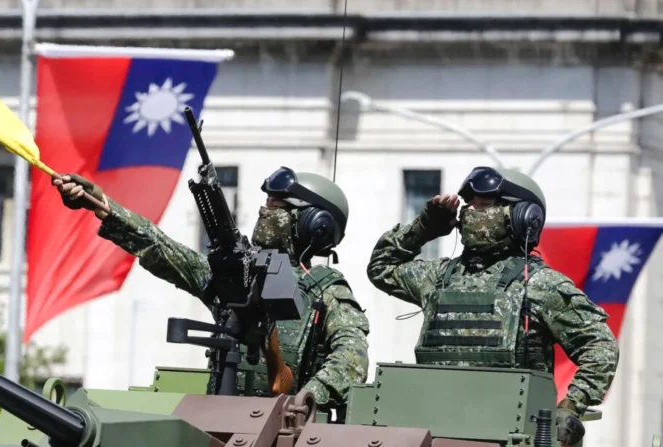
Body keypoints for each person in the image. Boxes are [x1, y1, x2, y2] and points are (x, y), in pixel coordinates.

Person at [52, 166, 370, 414]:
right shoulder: (239, 274)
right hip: (218, 419)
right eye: (266, 201)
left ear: (314, 223)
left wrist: (307, 397)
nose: (265, 209)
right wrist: (102, 206)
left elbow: (351, 358)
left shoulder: (326, 292)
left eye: (277, 204)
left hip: (287, 429)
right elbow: (161, 248)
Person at [366, 166, 619, 447]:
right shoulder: (437, 277)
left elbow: (600, 347)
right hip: (430, 431)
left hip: (509, 437)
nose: (469, 211)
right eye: (469, 204)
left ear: (523, 217)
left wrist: (571, 406)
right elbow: (381, 267)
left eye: (484, 204)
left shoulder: (540, 284)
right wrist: (424, 228)